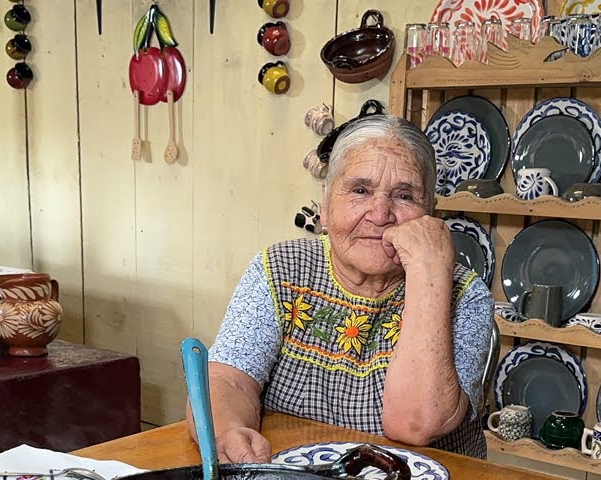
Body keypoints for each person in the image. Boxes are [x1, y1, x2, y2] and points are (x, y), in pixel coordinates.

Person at [189, 113, 494, 462]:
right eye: (360, 190)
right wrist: (229, 433)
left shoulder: (464, 295)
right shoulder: (280, 269)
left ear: (430, 211)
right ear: (327, 199)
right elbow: (228, 380)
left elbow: (415, 424)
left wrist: (428, 269)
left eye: (405, 196)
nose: (380, 215)